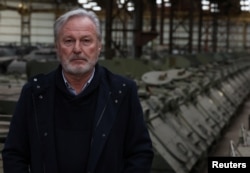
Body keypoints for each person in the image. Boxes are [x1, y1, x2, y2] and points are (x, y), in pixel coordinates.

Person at [2, 7, 154, 173]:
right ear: (57, 47)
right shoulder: (34, 93)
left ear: (99, 46)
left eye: (86, 41)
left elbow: (140, 153)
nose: (77, 49)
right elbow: (14, 154)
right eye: (68, 41)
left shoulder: (122, 92)